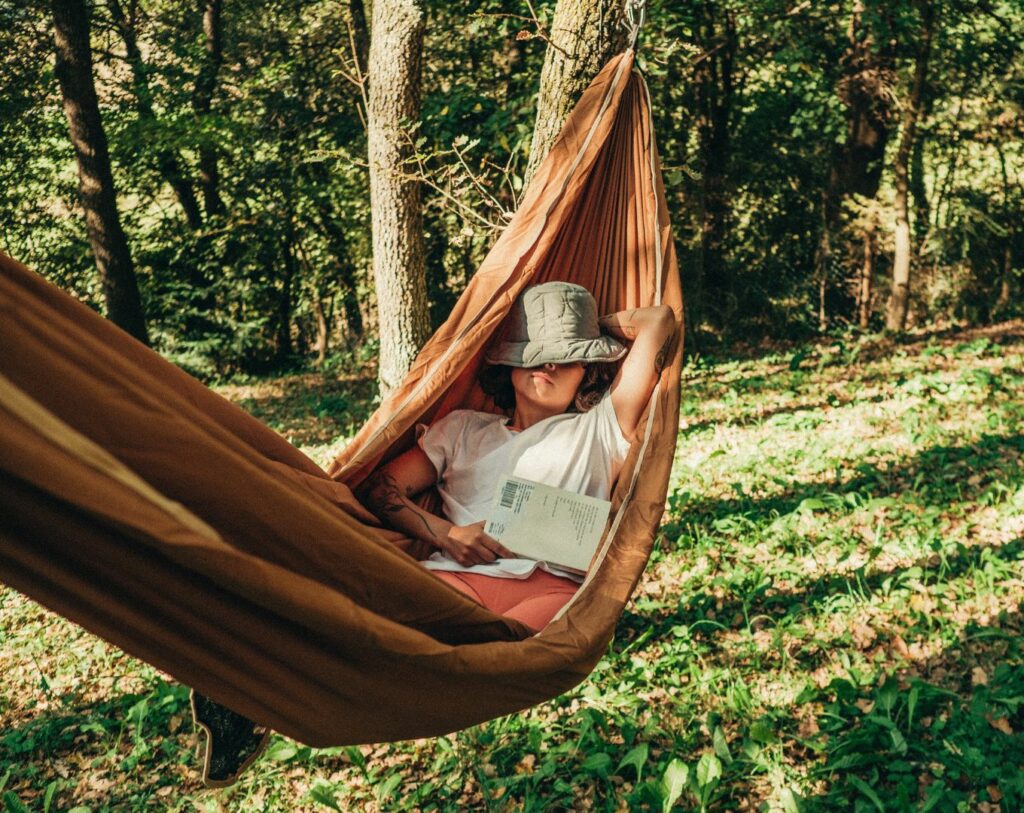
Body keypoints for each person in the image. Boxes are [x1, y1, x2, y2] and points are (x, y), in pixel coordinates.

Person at [363, 281, 675, 631]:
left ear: (586, 371)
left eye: (567, 355)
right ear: (510, 365)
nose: (549, 364)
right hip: (458, 577)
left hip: (552, 591)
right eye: (535, 351)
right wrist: (447, 534)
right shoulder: (462, 429)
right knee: (388, 625)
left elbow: (658, 320)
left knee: (500, 653)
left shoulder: (601, 427)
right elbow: (380, 488)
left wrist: (587, 327)